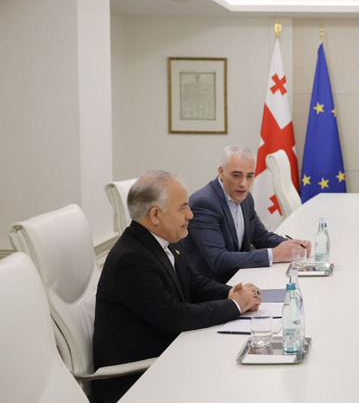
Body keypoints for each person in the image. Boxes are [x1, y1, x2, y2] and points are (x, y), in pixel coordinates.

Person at [93, 171, 262, 403]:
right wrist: (235, 305)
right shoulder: (131, 259)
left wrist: (230, 292)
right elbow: (175, 317)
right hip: (138, 380)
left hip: (170, 354)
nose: (190, 214)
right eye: (183, 208)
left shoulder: (164, 240)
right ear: (155, 215)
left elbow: (192, 282)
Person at [182, 146, 311, 283]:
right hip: (211, 286)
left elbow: (260, 236)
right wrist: (274, 254)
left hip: (239, 278)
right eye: (236, 175)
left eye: (249, 176)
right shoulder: (204, 203)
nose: (244, 184)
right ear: (221, 172)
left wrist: (293, 246)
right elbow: (219, 260)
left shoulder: (245, 198)